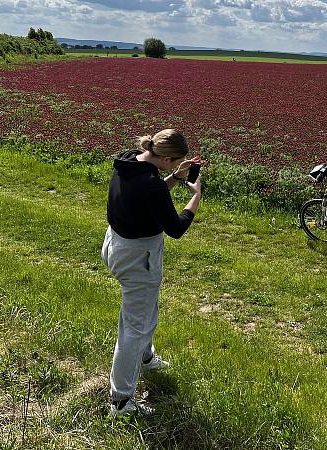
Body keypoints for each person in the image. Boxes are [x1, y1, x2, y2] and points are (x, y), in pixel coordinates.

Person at [101, 129, 203, 417]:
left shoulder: (129, 160)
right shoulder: (152, 185)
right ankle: (121, 401)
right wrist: (195, 198)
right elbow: (175, 228)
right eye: (175, 162)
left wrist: (175, 177)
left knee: (144, 313)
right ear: (167, 158)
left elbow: (148, 196)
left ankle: (145, 358)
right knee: (134, 327)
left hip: (116, 245)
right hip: (138, 258)